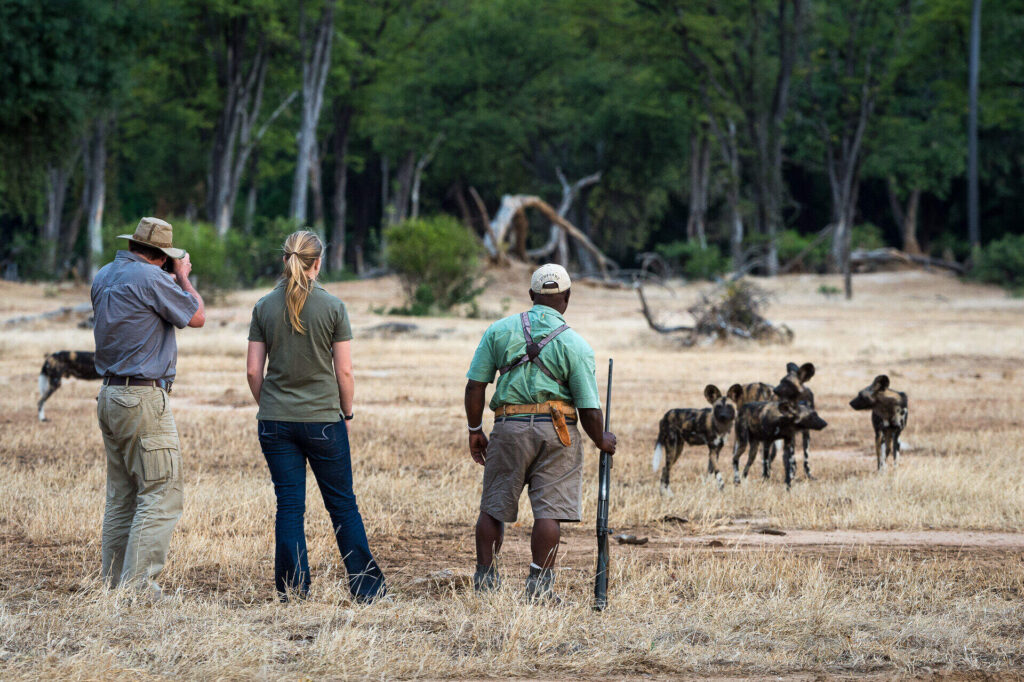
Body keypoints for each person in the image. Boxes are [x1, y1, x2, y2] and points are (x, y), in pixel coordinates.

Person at [246, 230, 386, 603]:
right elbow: (345, 373)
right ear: (318, 263)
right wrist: (348, 414)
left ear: (284, 261)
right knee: (342, 503)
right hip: (324, 420)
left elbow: (252, 372)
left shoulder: (263, 306)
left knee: (289, 505)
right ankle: (367, 589)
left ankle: (293, 591)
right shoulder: (333, 307)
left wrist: (272, 405)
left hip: (275, 421)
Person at [464, 263, 616, 602]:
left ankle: (485, 582)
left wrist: (475, 428)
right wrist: (601, 439)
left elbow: (475, 386)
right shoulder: (576, 345)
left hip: (508, 428)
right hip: (558, 432)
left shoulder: (500, 330)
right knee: (549, 512)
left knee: (493, 506)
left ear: (532, 296)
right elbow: (590, 408)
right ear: (567, 298)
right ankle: (539, 588)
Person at [92, 217, 206, 599]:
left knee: (122, 494)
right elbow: (196, 316)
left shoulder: (105, 275)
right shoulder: (153, 278)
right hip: (142, 398)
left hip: (109, 395)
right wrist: (184, 277)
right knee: (161, 491)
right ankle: (138, 587)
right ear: (161, 256)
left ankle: (113, 584)